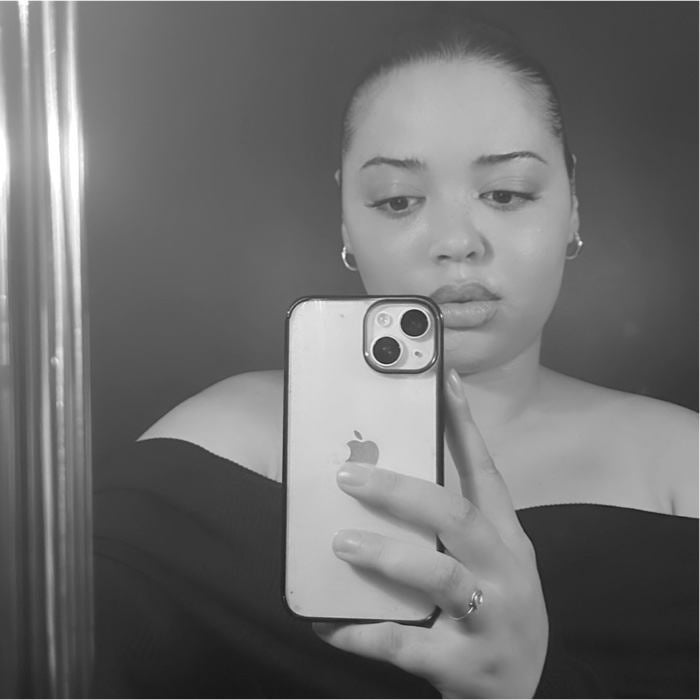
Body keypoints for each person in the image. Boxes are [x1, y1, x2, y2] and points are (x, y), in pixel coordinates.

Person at [92, 16, 698, 699]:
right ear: (347, 221)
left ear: (573, 205)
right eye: (399, 200)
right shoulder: (213, 446)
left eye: (505, 194)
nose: (457, 241)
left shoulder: (682, 473)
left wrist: (530, 684)